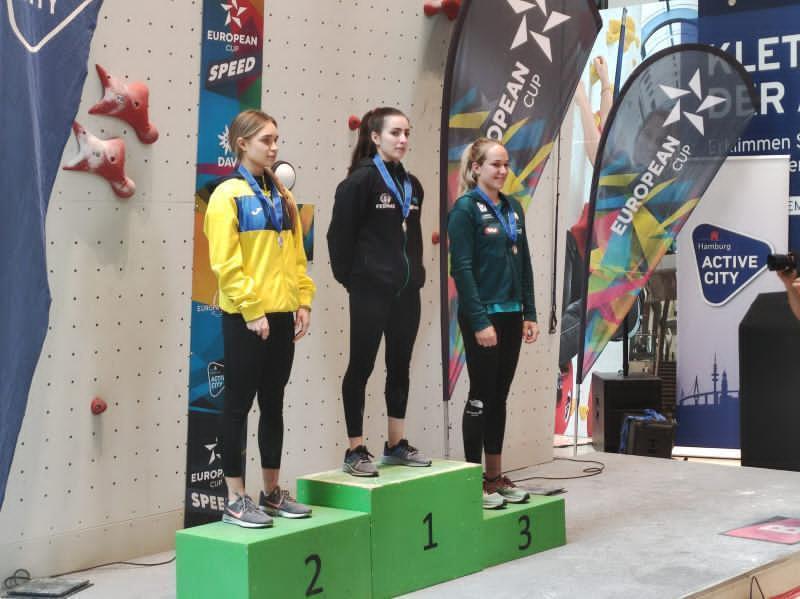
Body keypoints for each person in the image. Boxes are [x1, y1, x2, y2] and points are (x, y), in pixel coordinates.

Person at [204, 109, 315, 527]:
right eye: (266, 140)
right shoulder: (226, 195)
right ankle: (235, 499)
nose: (274, 147)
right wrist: (252, 310)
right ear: (242, 144)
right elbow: (225, 264)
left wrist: (303, 301)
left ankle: (271, 492)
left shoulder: (282, 196)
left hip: (282, 315)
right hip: (246, 318)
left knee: (274, 404)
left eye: (276, 140)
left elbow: (298, 257)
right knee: (237, 406)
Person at [327, 107, 432, 477]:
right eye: (395, 133)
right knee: (362, 366)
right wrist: (355, 280)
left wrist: (416, 275)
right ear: (375, 137)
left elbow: (413, 239)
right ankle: (355, 449)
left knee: (399, 365)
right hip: (370, 291)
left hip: (406, 292)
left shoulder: (412, 185)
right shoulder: (359, 183)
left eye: (407, 133)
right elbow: (337, 238)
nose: (402, 140)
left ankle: (395, 444)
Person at [448, 137, 539, 509]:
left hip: (512, 314)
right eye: (495, 164)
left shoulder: (513, 207)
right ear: (476, 169)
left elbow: (524, 262)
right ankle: (473, 483)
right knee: (481, 395)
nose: (502, 171)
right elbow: (461, 269)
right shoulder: (465, 209)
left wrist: (530, 312)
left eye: (505, 164)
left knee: (499, 396)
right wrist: (479, 320)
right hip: (482, 316)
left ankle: (494, 477)